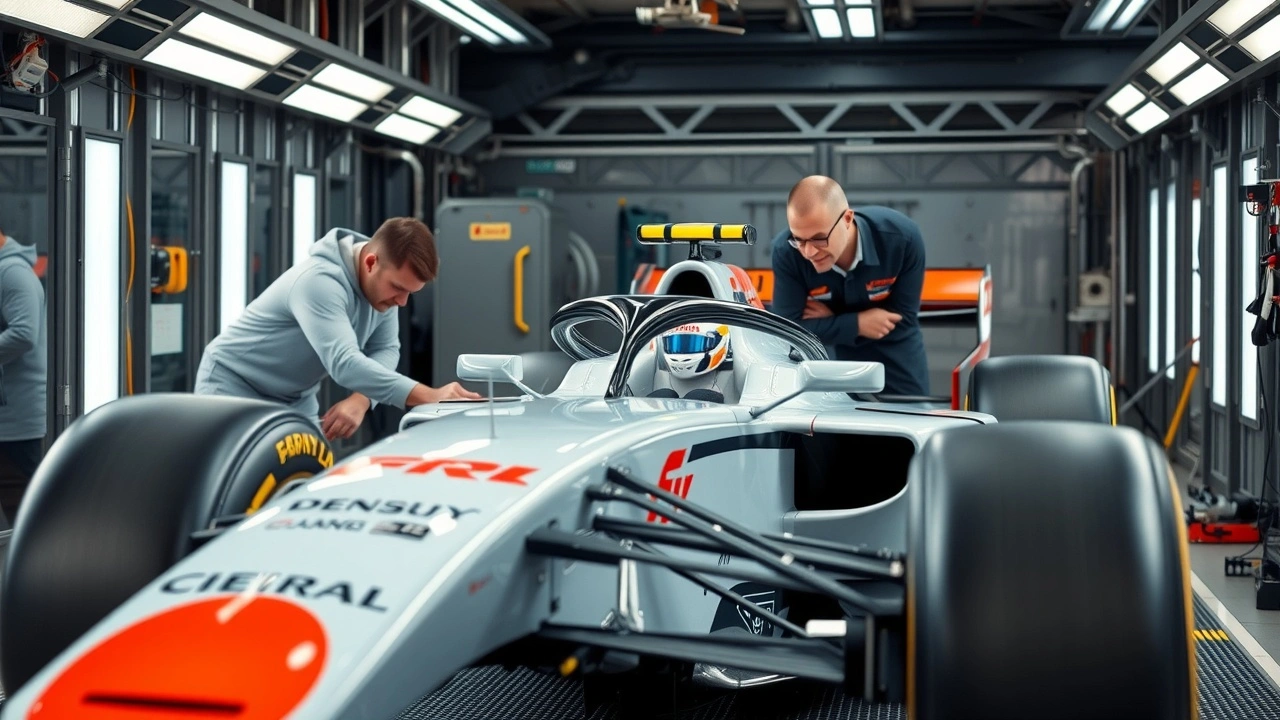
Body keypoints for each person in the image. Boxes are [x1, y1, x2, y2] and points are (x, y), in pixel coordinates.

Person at [195, 217, 479, 441]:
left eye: (410, 294)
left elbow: (386, 349)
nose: (401, 303)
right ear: (370, 263)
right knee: (230, 493)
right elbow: (344, 363)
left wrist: (361, 399)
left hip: (295, 397)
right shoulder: (319, 282)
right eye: (398, 288)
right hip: (234, 384)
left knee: (303, 485)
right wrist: (428, 395)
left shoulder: (382, 293)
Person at [770, 176, 929, 397]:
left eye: (819, 239)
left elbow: (902, 320)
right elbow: (787, 330)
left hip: (897, 365)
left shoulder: (903, 240)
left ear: (847, 219)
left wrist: (828, 320)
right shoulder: (786, 252)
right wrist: (856, 324)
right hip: (827, 368)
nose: (808, 252)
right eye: (799, 239)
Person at [0, 227, 47, 525]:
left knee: (25, 518)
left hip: (15, 423)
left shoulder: (12, 273)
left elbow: (23, 334)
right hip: (10, 420)